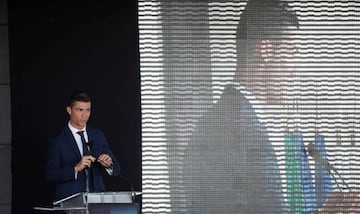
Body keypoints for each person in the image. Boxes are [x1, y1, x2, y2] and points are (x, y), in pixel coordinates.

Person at [183, 0, 299, 213]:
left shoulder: (212, 121)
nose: (293, 71)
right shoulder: (246, 134)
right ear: (265, 50)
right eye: (291, 53)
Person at [46, 91, 120, 201]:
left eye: (88, 110)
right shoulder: (57, 140)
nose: (85, 115)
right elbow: (50, 174)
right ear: (69, 110)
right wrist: (75, 168)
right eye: (80, 110)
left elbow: (117, 168)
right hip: (70, 203)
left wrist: (109, 165)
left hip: (98, 203)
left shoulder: (98, 135)